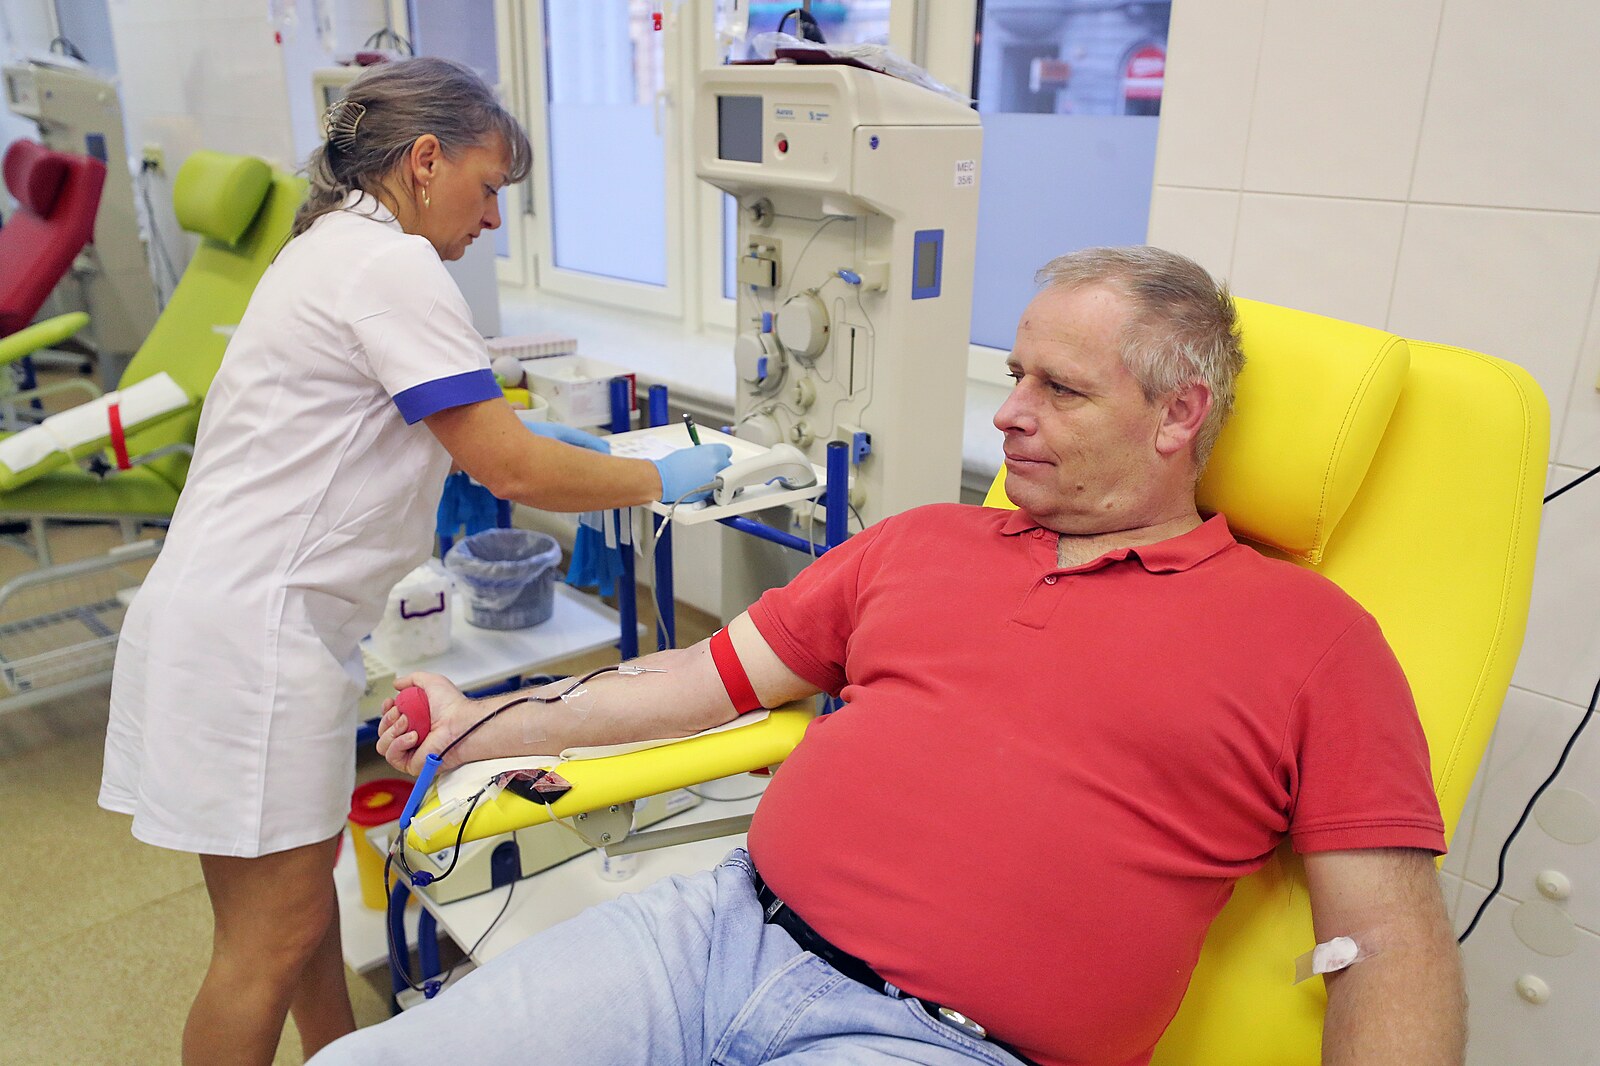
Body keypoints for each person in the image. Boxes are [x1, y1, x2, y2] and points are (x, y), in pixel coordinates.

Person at [312, 247, 1465, 1066]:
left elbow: (1388, 942)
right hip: (710, 935)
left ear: (1178, 416)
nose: (1008, 415)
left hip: (938, 1044)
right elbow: (691, 680)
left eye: (1058, 388)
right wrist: (481, 722)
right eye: (1014, 375)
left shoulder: (1311, 638)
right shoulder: (922, 543)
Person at [97, 57, 731, 1066]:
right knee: (261, 951)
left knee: (295, 922)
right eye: (488, 187)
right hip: (254, 644)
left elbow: (435, 420)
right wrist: (657, 477)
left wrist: (573, 446)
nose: (492, 218)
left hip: (225, 621)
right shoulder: (390, 268)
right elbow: (506, 464)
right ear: (425, 160)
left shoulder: (327, 249)